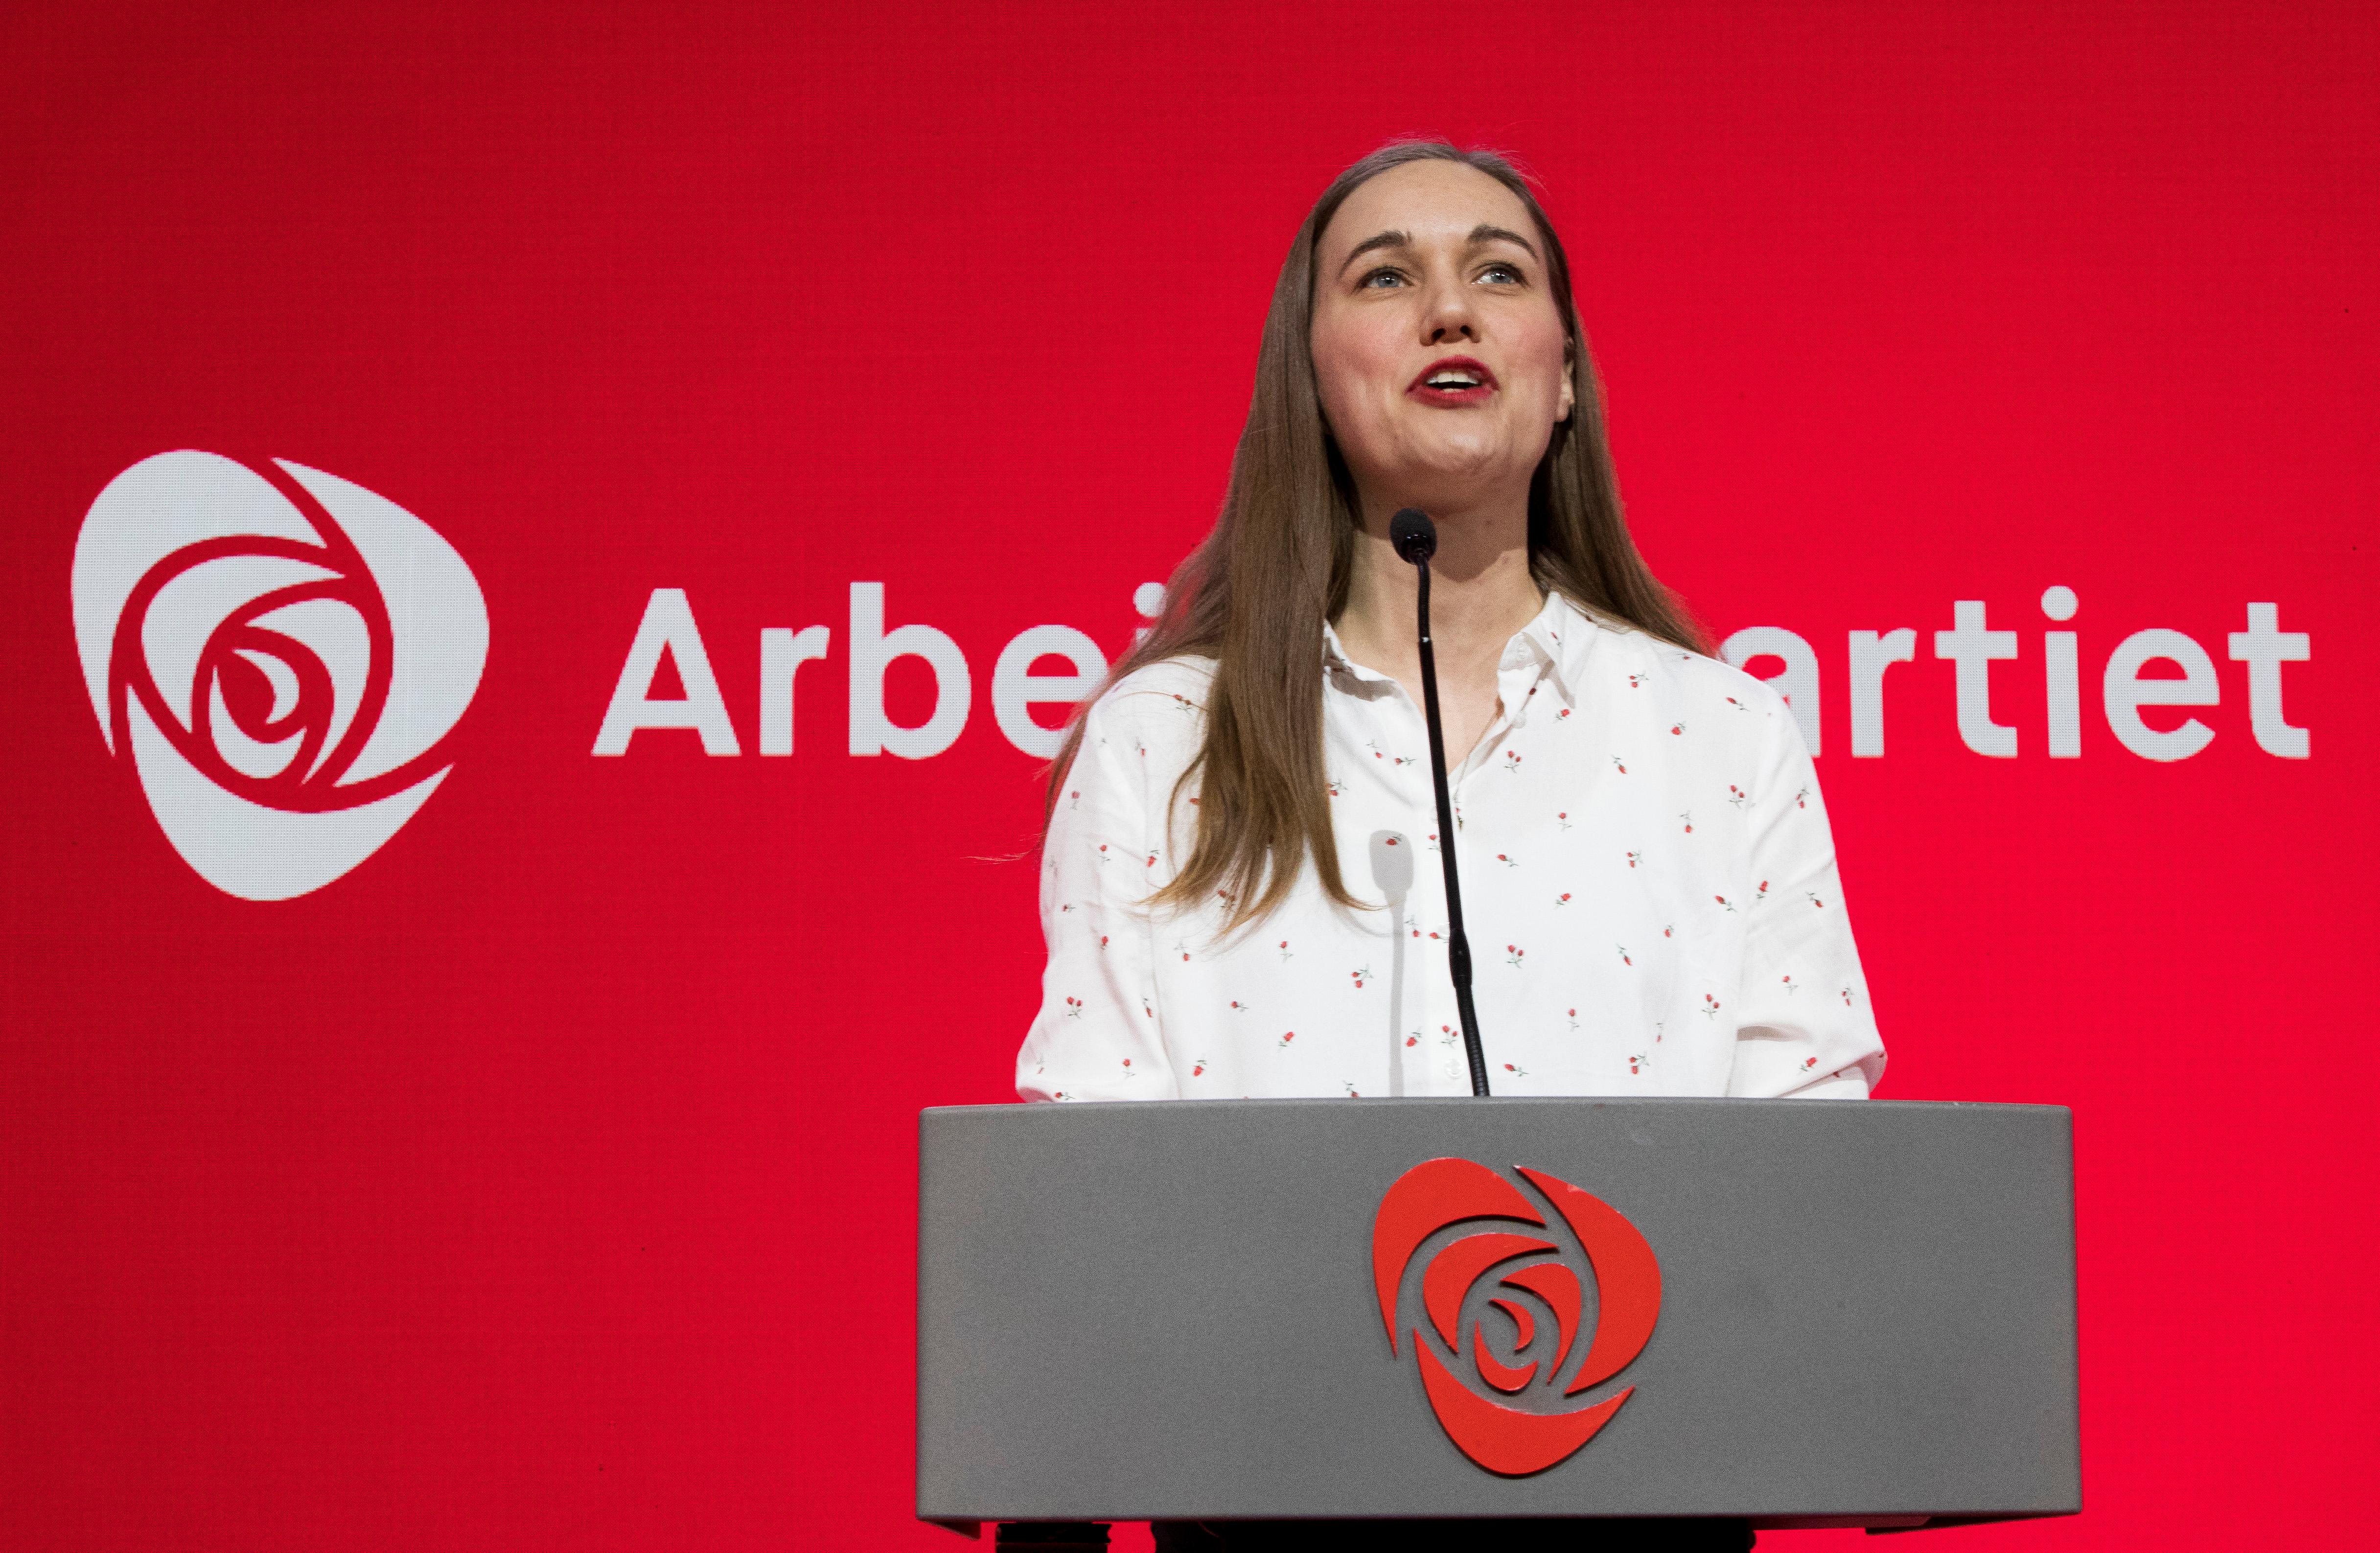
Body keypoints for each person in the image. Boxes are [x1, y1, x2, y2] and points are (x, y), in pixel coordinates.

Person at [1019, 139, 1883, 1111]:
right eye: (1386, 277)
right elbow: (1091, 1172)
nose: (1450, 313)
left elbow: (1807, 1160)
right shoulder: (1159, 739)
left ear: (1561, 377)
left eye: (1498, 273)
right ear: (1305, 374)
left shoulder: (1724, 735)